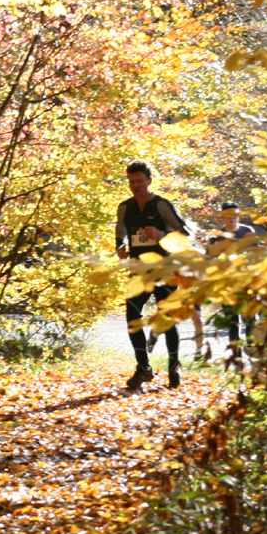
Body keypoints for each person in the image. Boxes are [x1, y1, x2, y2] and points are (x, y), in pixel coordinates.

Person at [115, 161, 189, 390]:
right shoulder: (125, 207)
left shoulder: (161, 205)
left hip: (165, 269)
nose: (135, 185)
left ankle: (173, 367)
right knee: (132, 319)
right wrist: (120, 245)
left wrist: (161, 234)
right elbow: (120, 230)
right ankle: (143, 368)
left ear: (149, 180)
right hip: (139, 271)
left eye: (139, 181)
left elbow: (184, 233)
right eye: (131, 181)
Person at [215, 201, 257, 367]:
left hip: (247, 280)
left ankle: (252, 352)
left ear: (238, 215)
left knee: (250, 318)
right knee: (233, 319)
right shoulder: (219, 235)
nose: (231, 219)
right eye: (227, 216)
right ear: (222, 217)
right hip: (227, 282)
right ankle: (236, 357)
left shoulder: (248, 232)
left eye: (234, 215)